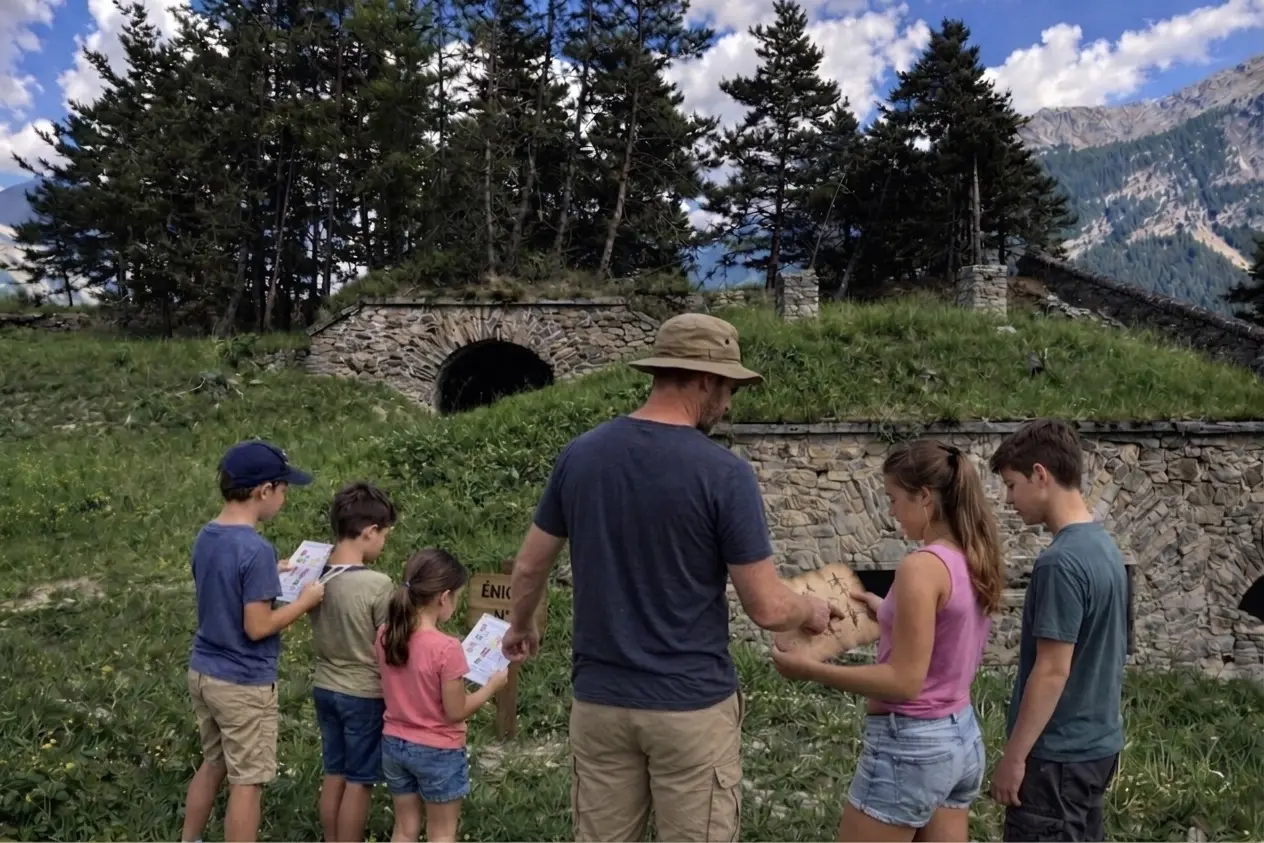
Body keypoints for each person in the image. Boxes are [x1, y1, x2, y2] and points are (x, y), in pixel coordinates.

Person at [500, 312, 841, 842]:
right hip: (689, 707)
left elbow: (528, 565)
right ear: (705, 380)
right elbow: (769, 608)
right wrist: (811, 609)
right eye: (729, 388)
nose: (729, 405)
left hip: (600, 702)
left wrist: (522, 625)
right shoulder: (725, 474)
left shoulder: (582, 455)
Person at [770, 438, 1005, 842]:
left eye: (894, 499)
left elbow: (904, 681)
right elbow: (947, 624)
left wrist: (812, 670)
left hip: (912, 745)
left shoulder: (921, 567)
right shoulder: (972, 555)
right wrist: (887, 610)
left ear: (925, 498)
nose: (891, 511)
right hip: (960, 738)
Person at [987, 419, 1128, 842]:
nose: (1009, 500)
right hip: (1098, 747)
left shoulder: (1060, 563)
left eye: (1011, 485)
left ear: (1040, 475)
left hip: (1056, 761)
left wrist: (1013, 758)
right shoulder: (1106, 549)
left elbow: (1052, 671)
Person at [181, 440, 325, 843]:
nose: (284, 498)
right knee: (248, 781)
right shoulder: (256, 548)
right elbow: (259, 627)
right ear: (264, 490)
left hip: (204, 671)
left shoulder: (208, 535)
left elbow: (226, 584)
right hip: (243, 682)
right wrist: (306, 601)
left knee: (214, 763)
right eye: (283, 490)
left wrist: (271, 573)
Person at [375, 549, 509, 843]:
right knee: (442, 833)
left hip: (395, 743)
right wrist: (490, 687)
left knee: (404, 828)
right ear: (443, 597)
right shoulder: (447, 648)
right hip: (438, 749)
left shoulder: (386, 633)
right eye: (457, 597)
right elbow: (455, 711)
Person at [309, 481, 400, 842]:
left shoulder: (316, 574)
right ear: (369, 532)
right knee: (360, 781)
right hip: (363, 693)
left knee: (334, 772)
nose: (383, 544)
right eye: (384, 536)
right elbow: (390, 642)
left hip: (324, 685)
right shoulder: (377, 584)